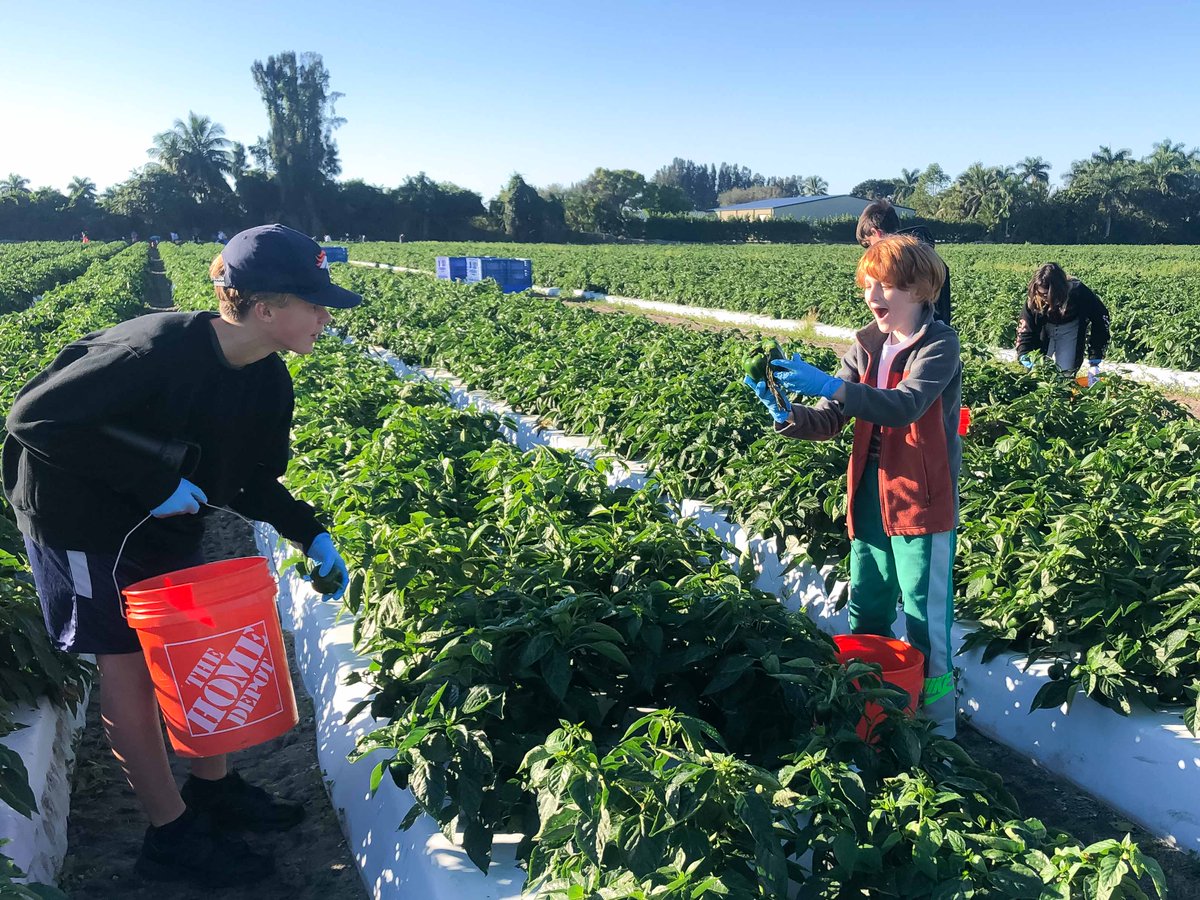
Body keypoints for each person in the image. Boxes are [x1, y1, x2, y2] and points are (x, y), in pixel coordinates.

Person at [2, 224, 360, 887]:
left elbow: (250, 479)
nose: (325, 315)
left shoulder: (265, 380)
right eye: (314, 302)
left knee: (194, 642)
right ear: (264, 307)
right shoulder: (154, 352)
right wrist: (154, 482)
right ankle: (170, 835)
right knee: (129, 662)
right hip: (79, 517)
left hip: (156, 514)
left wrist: (309, 531)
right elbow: (33, 419)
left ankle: (212, 793)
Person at [743, 235, 961, 738]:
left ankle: (938, 727)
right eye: (869, 285)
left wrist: (833, 386)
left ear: (921, 288)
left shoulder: (939, 346)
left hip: (919, 500)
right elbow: (830, 418)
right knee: (868, 605)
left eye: (886, 286)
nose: (873, 296)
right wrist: (784, 412)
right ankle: (873, 714)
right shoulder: (866, 346)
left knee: (926, 618)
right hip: (869, 494)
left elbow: (905, 404)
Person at [856, 200, 952, 326]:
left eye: (869, 244)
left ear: (875, 232)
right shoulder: (927, 256)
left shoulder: (898, 264)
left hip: (917, 336)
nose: (871, 251)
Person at [1015, 262, 1110, 385]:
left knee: (1066, 373)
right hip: (1045, 328)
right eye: (1041, 294)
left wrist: (1095, 359)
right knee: (1038, 373)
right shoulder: (1034, 298)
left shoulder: (1079, 293)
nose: (1043, 298)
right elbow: (1025, 326)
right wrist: (1023, 352)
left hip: (1070, 327)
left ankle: (1063, 397)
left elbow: (1101, 320)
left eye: (1046, 295)